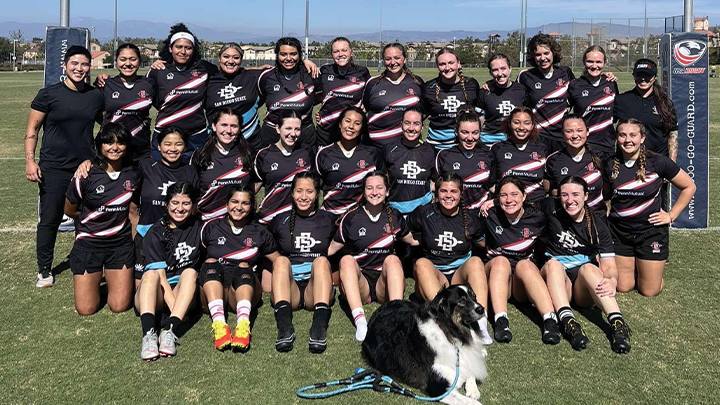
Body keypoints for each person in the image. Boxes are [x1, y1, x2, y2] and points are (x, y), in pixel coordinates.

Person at [25, 45, 104, 288]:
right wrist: (30, 160)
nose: (79, 69)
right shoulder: (48, 94)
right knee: (50, 219)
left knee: (88, 217)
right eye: (75, 64)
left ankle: (87, 261)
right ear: (64, 65)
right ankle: (44, 270)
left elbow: (108, 126)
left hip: (85, 168)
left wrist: (95, 156)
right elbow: (32, 130)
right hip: (54, 168)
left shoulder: (94, 95)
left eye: (84, 64)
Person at [540, 176, 632, 353]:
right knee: (553, 264)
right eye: (564, 195)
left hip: (582, 288)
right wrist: (495, 202)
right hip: (557, 281)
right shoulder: (550, 207)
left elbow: (609, 265)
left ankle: (618, 325)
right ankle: (569, 323)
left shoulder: (597, 225)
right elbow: (521, 205)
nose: (570, 200)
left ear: (586, 196)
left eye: (575, 194)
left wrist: (612, 279)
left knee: (589, 267)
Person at [604, 118, 695, 297]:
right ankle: (640, 267)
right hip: (620, 233)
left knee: (649, 291)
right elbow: (606, 196)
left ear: (642, 138)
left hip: (650, 233)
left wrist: (671, 215)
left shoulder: (659, 162)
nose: (627, 140)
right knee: (623, 286)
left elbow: (689, 186)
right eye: (622, 135)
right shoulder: (609, 164)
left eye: (633, 135)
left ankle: (650, 271)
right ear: (616, 138)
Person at [405, 172, 493, 344]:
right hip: (434, 274)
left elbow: (484, 243)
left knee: (475, 261)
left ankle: (480, 323)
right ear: (436, 193)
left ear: (461, 194)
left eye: (453, 191)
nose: (448, 196)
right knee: (421, 263)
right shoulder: (424, 213)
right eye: (444, 191)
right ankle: (443, 321)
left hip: (459, 275)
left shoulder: (471, 218)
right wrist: (421, 240)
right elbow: (404, 233)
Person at [64, 123, 138, 316]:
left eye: (120, 143)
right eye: (108, 143)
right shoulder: (85, 174)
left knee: (119, 306)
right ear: (100, 145)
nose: (114, 147)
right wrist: (95, 217)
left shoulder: (134, 173)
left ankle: (112, 285)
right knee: (86, 309)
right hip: (88, 245)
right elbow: (70, 209)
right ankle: (93, 284)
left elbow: (134, 209)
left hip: (120, 246)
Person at [328, 171, 408, 341]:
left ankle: (395, 320)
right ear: (363, 192)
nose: (374, 192)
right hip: (360, 281)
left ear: (387, 191)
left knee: (393, 259)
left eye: (379, 188)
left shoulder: (395, 216)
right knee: (346, 260)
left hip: (383, 284)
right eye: (369, 188)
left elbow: (414, 241)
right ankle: (361, 321)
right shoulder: (351, 218)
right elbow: (332, 248)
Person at [200, 185, 280, 351]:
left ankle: (243, 326)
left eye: (245, 203)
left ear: (252, 206)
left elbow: (278, 262)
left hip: (244, 290)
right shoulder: (211, 228)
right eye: (234, 201)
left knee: (243, 266)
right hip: (216, 290)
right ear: (227, 204)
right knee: (209, 263)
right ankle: (220, 326)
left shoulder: (259, 232)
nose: (239, 207)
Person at [481, 176, 560, 345]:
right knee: (500, 261)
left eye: (514, 194)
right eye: (503, 195)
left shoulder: (537, 218)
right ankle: (501, 320)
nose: (509, 200)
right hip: (496, 276)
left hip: (520, 283)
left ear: (524, 196)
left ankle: (549, 320)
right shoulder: (489, 215)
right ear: (497, 198)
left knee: (526, 264)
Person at [268, 172, 337, 353]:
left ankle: (318, 328)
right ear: (292, 193)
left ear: (317, 194)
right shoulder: (279, 220)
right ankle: (284, 328)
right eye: (299, 191)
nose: (304, 197)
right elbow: (265, 248)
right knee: (281, 261)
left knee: (321, 261)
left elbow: (342, 250)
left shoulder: (329, 220)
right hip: (289, 288)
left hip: (315, 289)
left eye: (309, 191)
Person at [136, 182, 203, 360]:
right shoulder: (155, 232)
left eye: (186, 203)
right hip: (157, 293)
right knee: (150, 274)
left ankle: (170, 331)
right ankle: (149, 334)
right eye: (175, 203)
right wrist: (174, 306)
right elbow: (161, 278)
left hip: (184, 293)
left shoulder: (199, 226)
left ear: (194, 206)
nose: (179, 209)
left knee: (190, 273)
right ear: (166, 205)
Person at [146, 23, 216, 162]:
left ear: (193, 50)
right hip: (165, 134)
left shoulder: (204, 68)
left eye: (188, 48)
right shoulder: (158, 70)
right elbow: (147, 96)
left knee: (195, 176)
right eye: (178, 47)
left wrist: (257, 70)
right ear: (170, 48)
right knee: (162, 176)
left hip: (196, 134)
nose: (183, 51)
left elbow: (228, 70)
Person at [316, 107, 384, 217]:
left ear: (362, 128)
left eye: (357, 123)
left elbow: (383, 184)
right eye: (347, 121)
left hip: (360, 217)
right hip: (330, 216)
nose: (351, 126)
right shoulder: (324, 154)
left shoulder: (373, 154)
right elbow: (315, 187)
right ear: (339, 124)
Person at [516, 34, 576, 154]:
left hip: (562, 136)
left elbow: (580, 93)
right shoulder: (525, 76)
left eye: (546, 53)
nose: (543, 58)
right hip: (538, 136)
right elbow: (512, 95)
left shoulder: (565, 72)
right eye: (538, 54)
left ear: (554, 53)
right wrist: (490, 85)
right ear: (533, 56)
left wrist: (605, 77)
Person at [191, 108, 253, 222]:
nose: (228, 130)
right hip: (207, 221)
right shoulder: (200, 154)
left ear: (239, 129)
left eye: (234, 126)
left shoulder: (248, 153)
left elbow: (257, 181)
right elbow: (191, 188)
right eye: (224, 125)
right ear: (214, 126)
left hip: (239, 221)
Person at [254, 110, 314, 225]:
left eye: (297, 129)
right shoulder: (264, 155)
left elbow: (315, 185)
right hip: (269, 220)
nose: (293, 133)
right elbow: (253, 188)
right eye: (288, 128)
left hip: (298, 220)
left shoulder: (307, 152)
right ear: (278, 128)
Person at [98, 43, 155, 162]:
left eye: (133, 59)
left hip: (141, 150)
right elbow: (95, 113)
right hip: (113, 150)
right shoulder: (106, 84)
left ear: (139, 61)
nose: (128, 64)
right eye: (123, 59)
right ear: (116, 61)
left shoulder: (149, 84)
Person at [258, 37, 317, 149]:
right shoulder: (266, 76)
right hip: (272, 134)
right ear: (277, 55)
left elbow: (322, 96)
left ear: (299, 55)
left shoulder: (311, 74)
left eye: (293, 54)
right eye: (283, 54)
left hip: (304, 134)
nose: (288, 58)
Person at [205, 43, 266, 151]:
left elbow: (284, 70)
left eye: (236, 57)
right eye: (226, 56)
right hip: (217, 145)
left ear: (241, 60)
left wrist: (304, 63)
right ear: (219, 58)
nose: (231, 61)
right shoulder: (208, 80)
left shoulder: (252, 76)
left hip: (251, 143)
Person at [614, 59, 678, 160]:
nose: (643, 79)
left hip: (658, 161)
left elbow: (672, 135)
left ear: (655, 77)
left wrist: (671, 165)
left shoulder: (665, 102)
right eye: (639, 75)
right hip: (627, 161)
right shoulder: (621, 100)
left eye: (647, 75)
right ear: (634, 76)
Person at [362, 43, 423, 147]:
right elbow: (364, 108)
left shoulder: (417, 82)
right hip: (376, 148)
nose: (393, 62)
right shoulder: (373, 83)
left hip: (406, 148)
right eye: (388, 59)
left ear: (405, 59)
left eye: (397, 58)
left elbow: (423, 111)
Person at [435, 108, 495, 210]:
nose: (470, 138)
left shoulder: (488, 155)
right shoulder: (444, 156)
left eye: (475, 133)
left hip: (480, 213)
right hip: (453, 214)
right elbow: (437, 190)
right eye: (465, 132)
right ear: (456, 132)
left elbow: (493, 187)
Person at [314, 37, 371, 146]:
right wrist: (306, 61)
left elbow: (371, 96)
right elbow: (313, 95)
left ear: (351, 52)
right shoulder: (325, 71)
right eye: (336, 51)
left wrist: (366, 107)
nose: (340, 54)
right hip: (326, 132)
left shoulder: (362, 72)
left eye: (344, 50)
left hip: (352, 131)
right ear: (332, 54)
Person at [421, 47, 480, 151]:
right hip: (435, 147)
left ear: (458, 63)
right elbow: (421, 115)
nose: (447, 68)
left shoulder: (471, 85)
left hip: (464, 146)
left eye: (451, 63)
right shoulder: (428, 88)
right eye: (442, 64)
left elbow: (479, 113)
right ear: (437, 66)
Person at [544, 115, 605, 214]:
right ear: (562, 134)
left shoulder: (600, 157)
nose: (575, 135)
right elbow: (550, 190)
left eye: (579, 130)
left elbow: (607, 190)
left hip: (597, 217)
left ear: (587, 132)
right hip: (566, 221)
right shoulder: (553, 160)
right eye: (569, 131)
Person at [567, 46, 619, 161]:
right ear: (584, 62)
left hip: (608, 145)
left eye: (598, 62)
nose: (594, 66)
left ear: (605, 63)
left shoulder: (611, 83)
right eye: (590, 61)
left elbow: (615, 112)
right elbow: (565, 113)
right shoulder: (575, 85)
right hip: (584, 145)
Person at [383, 109, 435, 215]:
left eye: (416, 124)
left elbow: (434, 183)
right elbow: (383, 181)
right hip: (395, 213)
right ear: (401, 125)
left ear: (422, 127)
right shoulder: (389, 149)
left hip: (423, 213)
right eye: (407, 123)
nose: (411, 128)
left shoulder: (430, 151)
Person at [490, 107, 547, 203]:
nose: (521, 127)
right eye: (516, 122)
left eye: (527, 123)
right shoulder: (498, 149)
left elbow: (548, 183)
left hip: (537, 205)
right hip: (509, 204)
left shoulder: (542, 149)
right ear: (509, 124)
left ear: (533, 125)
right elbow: (491, 184)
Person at [477, 53, 528, 145]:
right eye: (495, 70)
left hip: (514, 140)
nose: (500, 74)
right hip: (489, 141)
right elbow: (479, 119)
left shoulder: (521, 90)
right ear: (490, 72)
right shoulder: (484, 92)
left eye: (503, 68)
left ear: (510, 68)